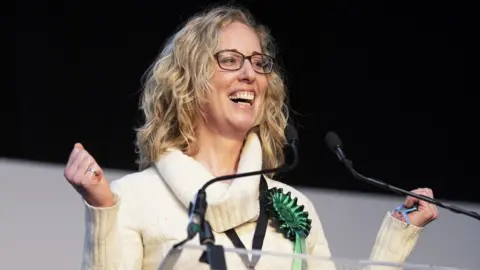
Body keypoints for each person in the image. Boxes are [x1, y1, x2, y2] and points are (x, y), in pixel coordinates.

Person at [64, 5, 438, 270]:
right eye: (230, 59)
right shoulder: (133, 199)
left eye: (258, 63)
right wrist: (101, 208)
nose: (249, 73)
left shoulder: (294, 207)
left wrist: (398, 235)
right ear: (188, 81)